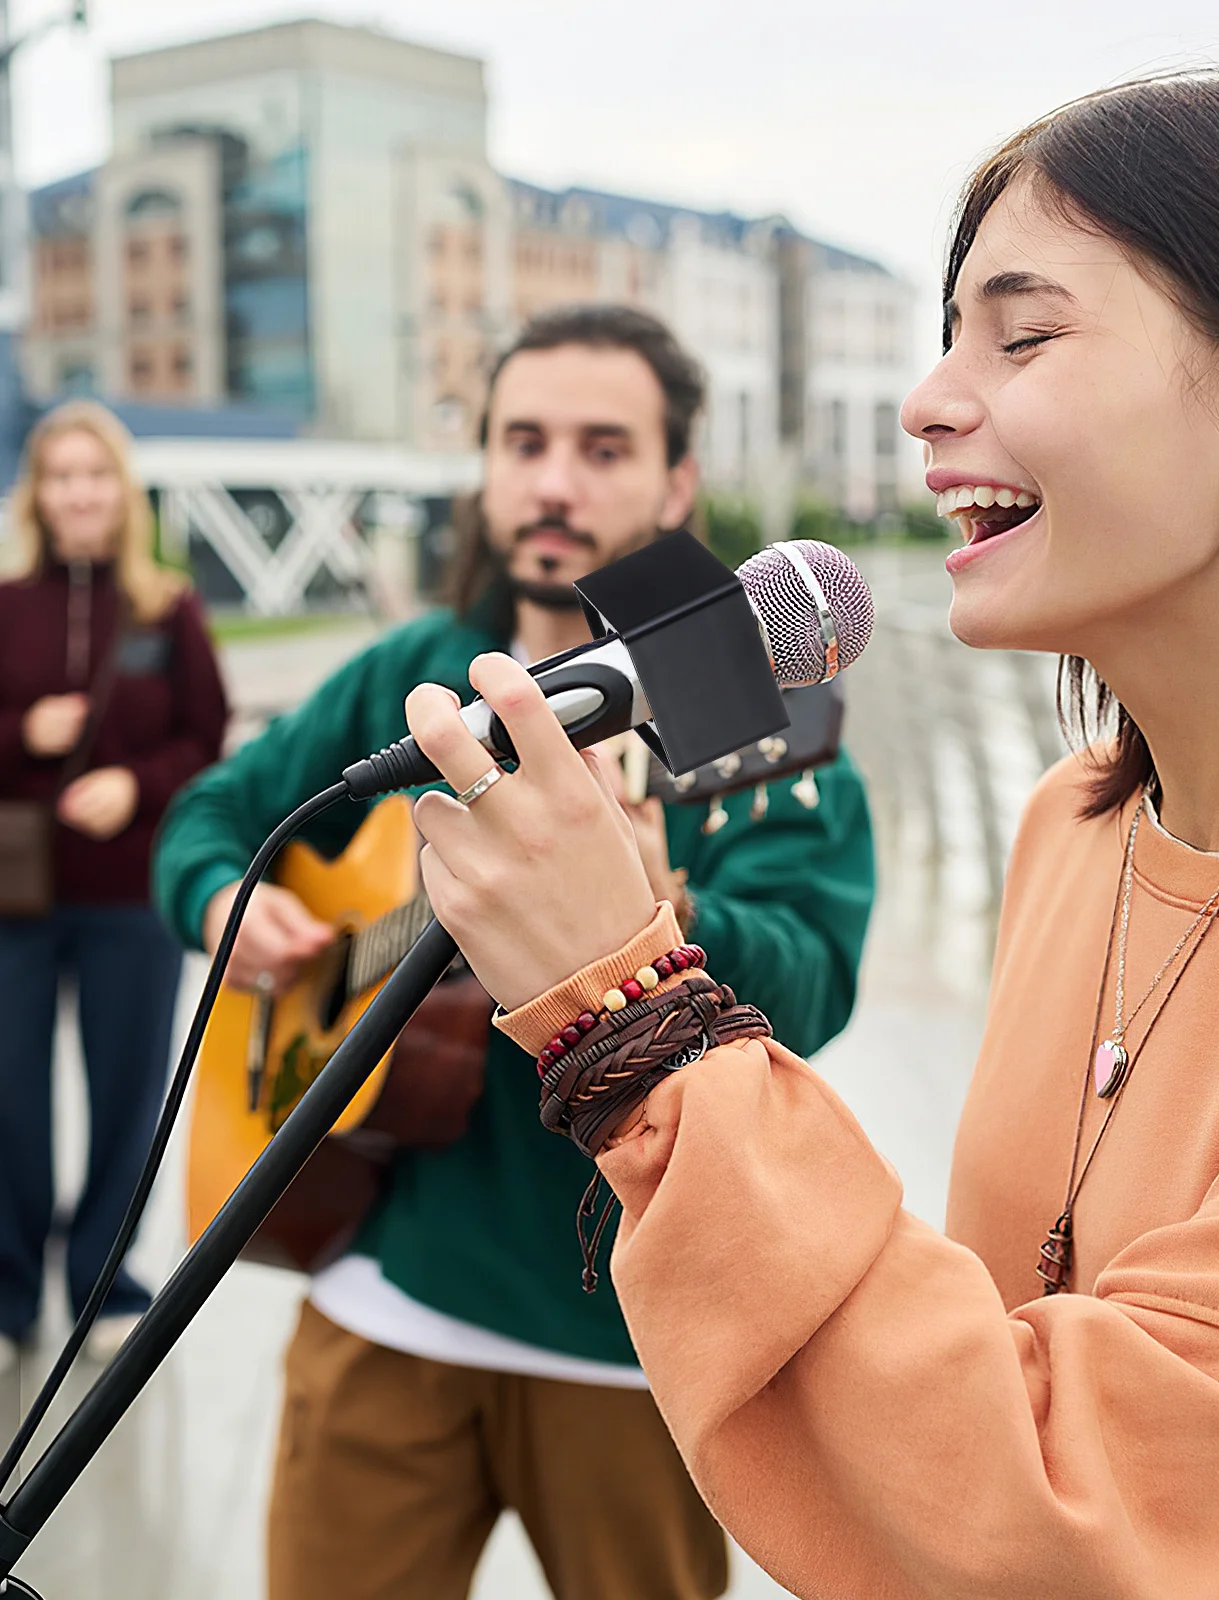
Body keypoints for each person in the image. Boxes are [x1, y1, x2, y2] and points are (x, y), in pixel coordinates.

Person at [399, 77, 1219, 1599]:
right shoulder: (1076, 828)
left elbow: (1064, 1516)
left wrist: (625, 1008)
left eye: (1023, 336)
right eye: (950, 333)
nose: (927, 400)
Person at [153, 304, 874, 1600]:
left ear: (677, 480)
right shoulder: (414, 671)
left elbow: (814, 980)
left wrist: (660, 910)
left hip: (633, 1338)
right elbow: (217, 816)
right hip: (377, 1274)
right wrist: (222, 903)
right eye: (523, 441)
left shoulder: (754, 723)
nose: (552, 482)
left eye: (603, 448)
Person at [0, 401, 228, 1378]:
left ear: (120, 492)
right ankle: (8, 1293)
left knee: (126, 1092)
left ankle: (106, 1284)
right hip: (14, 899)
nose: (79, 493)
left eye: (96, 475)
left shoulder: (166, 606)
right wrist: (23, 735)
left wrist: (136, 783)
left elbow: (206, 739)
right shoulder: (5, 602)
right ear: (38, 494)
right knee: (9, 1099)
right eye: (61, 476)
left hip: (132, 892)